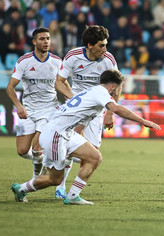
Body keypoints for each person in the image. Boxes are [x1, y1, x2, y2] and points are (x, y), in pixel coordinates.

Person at [11, 69, 161, 205]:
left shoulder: (92, 93)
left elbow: (79, 120)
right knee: (55, 179)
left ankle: (73, 196)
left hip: (66, 133)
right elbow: (116, 108)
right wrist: (142, 121)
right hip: (56, 134)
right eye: (117, 89)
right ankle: (21, 188)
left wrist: (80, 142)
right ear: (113, 87)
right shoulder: (101, 93)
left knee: (95, 157)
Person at [54, 25, 119, 197]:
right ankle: (60, 188)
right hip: (77, 108)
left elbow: (116, 86)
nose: (105, 49)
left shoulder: (108, 60)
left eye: (106, 45)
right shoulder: (73, 56)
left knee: (93, 154)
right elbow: (59, 81)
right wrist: (73, 99)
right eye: (101, 45)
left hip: (97, 110)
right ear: (89, 45)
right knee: (72, 143)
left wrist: (110, 113)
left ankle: (72, 188)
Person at [6, 27, 63, 196]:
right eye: (42, 39)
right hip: (28, 110)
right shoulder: (24, 61)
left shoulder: (57, 62)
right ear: (34, 42)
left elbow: (63, 83)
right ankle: (43, 160)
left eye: (48, 38)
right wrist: (18, 105)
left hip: (49, 109)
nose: (46, 42)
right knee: (22, 151)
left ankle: (35, 177)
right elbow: (10, 87)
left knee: (37, 146)